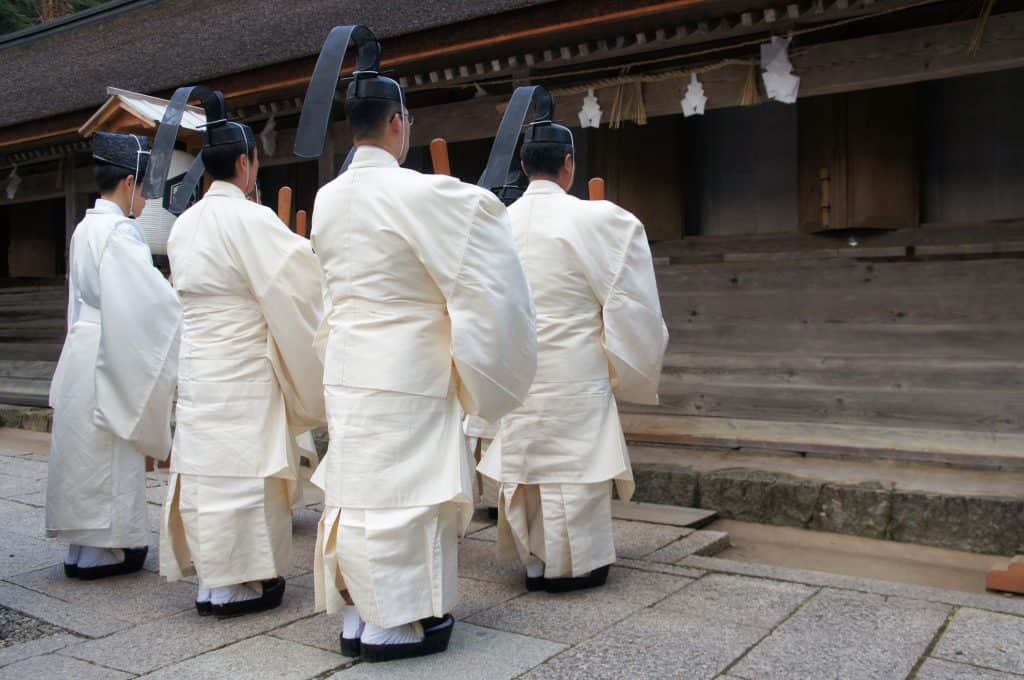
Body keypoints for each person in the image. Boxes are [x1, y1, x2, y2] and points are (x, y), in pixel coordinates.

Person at [295, 25, 536, 662]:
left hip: (348, 362)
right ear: (400, 122)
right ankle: (394, 622)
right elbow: (484, 260)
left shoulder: (328, 197)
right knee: (406, 493)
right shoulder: (417, 191)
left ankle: (356, 612)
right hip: (408, 364)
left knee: (357, 487)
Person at [478, 97, 669, 592]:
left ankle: (536, 561)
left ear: (522, 167)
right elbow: (632, 303)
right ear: (569, 165)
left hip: (517, 364)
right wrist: (623, 360)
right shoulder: (599, 220)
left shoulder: (496, 224)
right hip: (575, 361)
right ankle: (576, 564)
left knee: (529, 462)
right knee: (575, 466)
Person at [153, 89, 326, 618]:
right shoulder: (252, 220)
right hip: (245, 365)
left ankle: (211, 579)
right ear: (247, 164)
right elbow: (295, 291)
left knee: (207, 471)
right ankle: (244, 582)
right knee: (246, 474)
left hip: (201, 365)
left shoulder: (185, 225)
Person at [47, 131, 182, 580]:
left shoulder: (86, 227)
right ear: (129, 183)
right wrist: (178, 299)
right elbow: (148, 303)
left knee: (83, 450)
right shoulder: (120, 231)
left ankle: (81, 547)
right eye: (145, 189)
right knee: (107, 447)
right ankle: (106, 549)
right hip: (110, 345)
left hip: (83, 344)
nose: (146, 200)